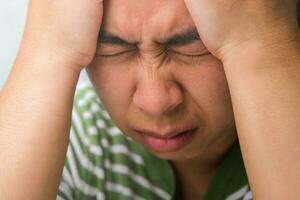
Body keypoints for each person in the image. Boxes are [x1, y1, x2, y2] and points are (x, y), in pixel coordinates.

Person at [0, 0, 299, 199]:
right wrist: (47, 49)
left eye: (192, 48)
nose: (155, 102)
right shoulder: (81, 137)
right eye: (113, 50)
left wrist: (262, 40)